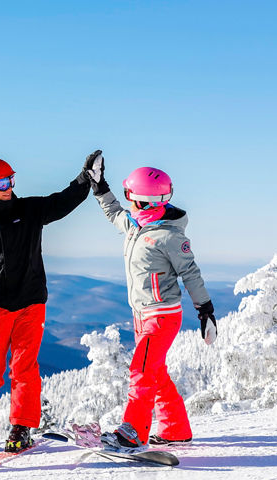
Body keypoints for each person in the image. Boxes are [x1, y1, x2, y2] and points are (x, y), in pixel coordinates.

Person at [0, 154, 98, 454]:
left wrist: (85, 179)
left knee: (24, 369)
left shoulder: (29, 210)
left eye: (11, 180)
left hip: (30, 303)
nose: (9, 187)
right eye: (3, 183)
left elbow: (61, 202)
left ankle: (21, 428)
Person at [85, 151, 218, 449]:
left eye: (129, 195)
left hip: (161, 316)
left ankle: (133, 433)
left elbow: (191, 273)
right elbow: (114, 213)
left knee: (141, 372)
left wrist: (205, 310)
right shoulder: (137, 224)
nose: (127, 200)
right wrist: (99, 186)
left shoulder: (169, 236)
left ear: (142, 200)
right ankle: (175, 430)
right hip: (141, 315)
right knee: (155, 373)